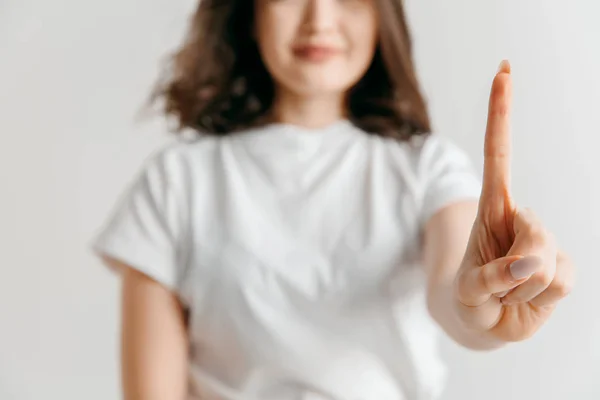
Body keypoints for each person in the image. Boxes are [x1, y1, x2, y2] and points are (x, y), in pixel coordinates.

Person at [92, 0, 574, 399]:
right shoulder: (176, 181)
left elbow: (455, 293)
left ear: (382, 17)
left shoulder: (424, 168)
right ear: (249, 13)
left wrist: (485, 302)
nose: (319, 18)